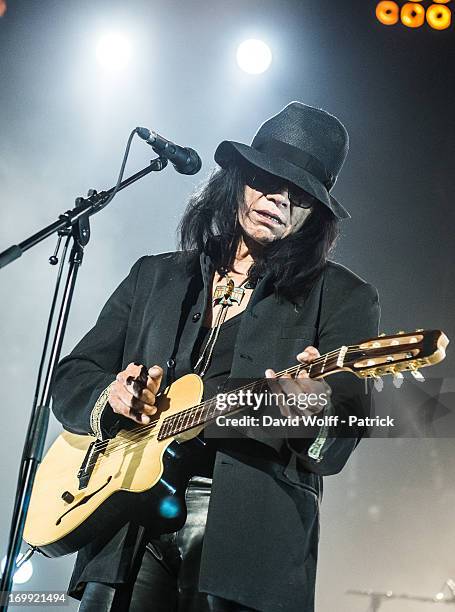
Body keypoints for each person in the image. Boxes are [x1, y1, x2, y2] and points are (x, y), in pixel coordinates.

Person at [52, 101, 380, 612]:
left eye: (300, 194)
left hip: (247, 540)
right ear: (238, 179)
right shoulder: (155, 276)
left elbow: (351, 423)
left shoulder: (343, 297)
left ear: (315, 213)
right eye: (269, 179)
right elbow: (73, 373)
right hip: (124, 526)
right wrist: (111, 396)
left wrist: (313, 408)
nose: (279, 198)